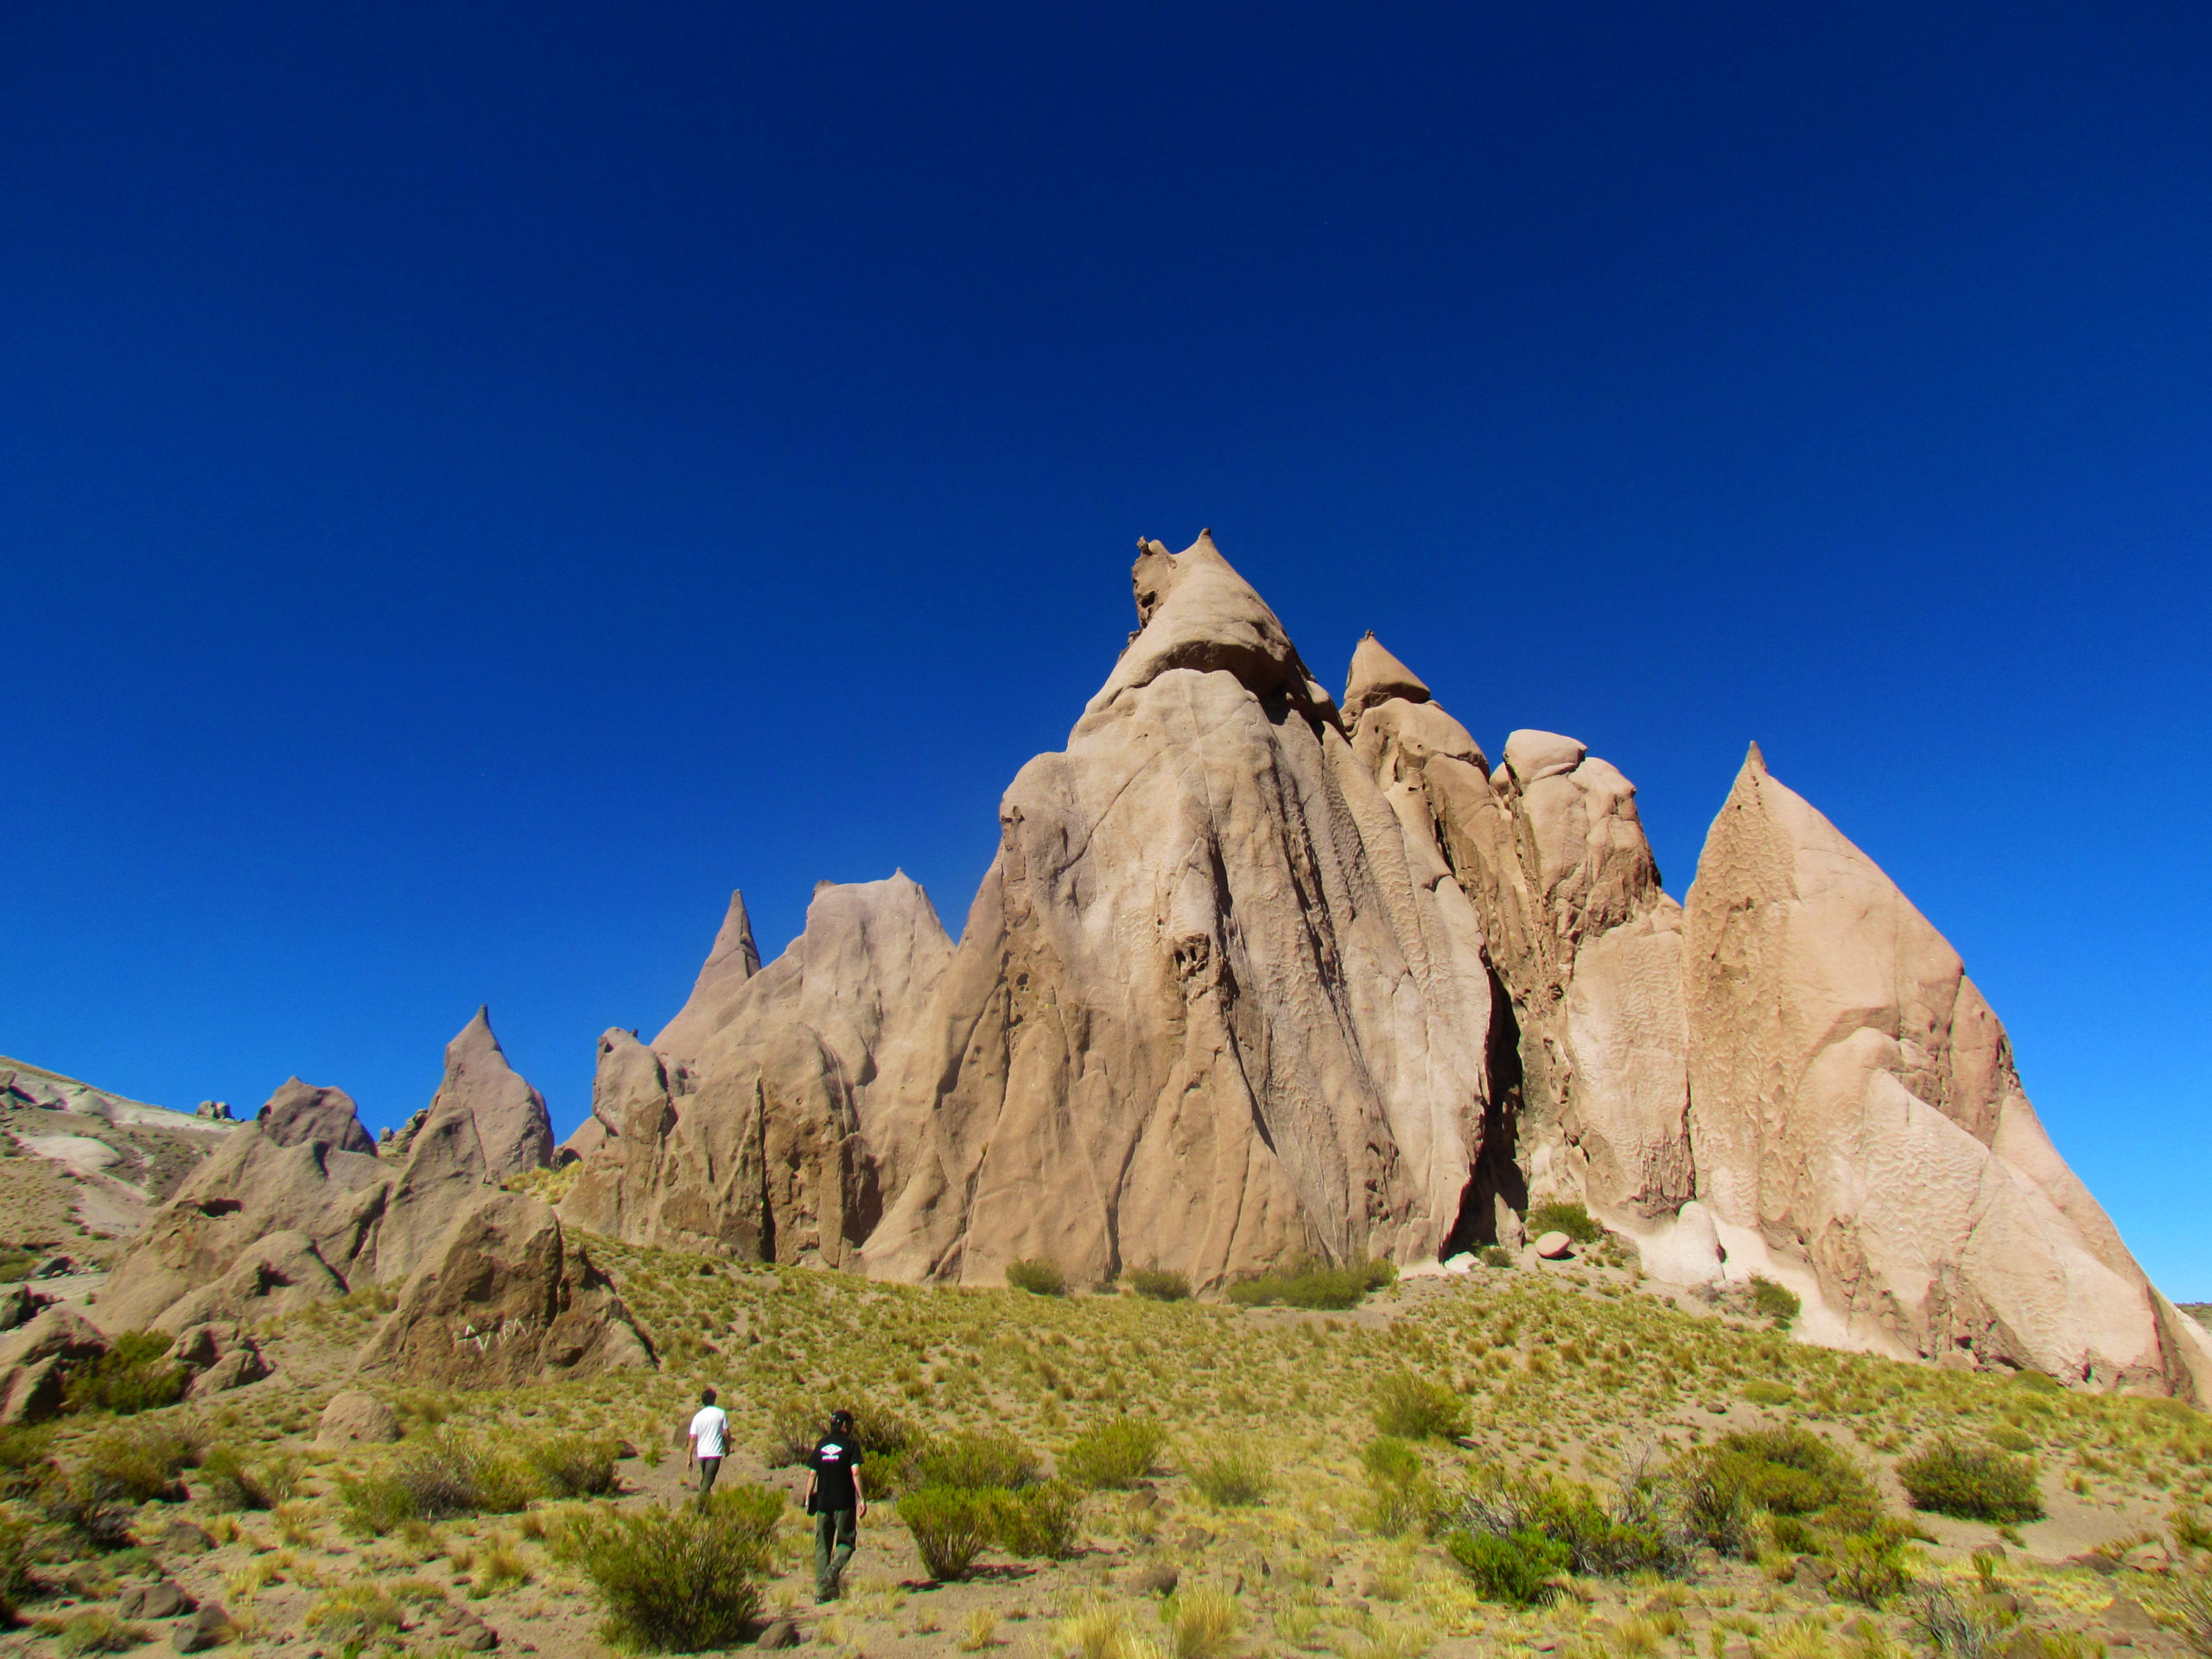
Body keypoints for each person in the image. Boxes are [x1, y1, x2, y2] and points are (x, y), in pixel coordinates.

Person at [802, 1408, 867, 1601]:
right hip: (844, 1502)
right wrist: (862, 1498)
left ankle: (821, 1593)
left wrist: (807, 1498)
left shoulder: (821, 1445)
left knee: (822, 1546)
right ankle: (834, 1568)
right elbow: (855, 1471)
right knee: (846, 1541)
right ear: (845, 1425)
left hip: (823, 1503)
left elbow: (812, 1474)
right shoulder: (850, 1445)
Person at [686, 1387, 729, 1510]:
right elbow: (726, 1434)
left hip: (702, 1454)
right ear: (714, 1400)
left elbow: (692, 1438)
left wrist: (688, 1458)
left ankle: (707, 1509)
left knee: (706, 1480)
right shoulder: (721, 1413)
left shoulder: (698, 1417)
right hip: (714, 1453)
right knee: (707, 1483)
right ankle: (697, 1510)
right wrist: (728, 1447)